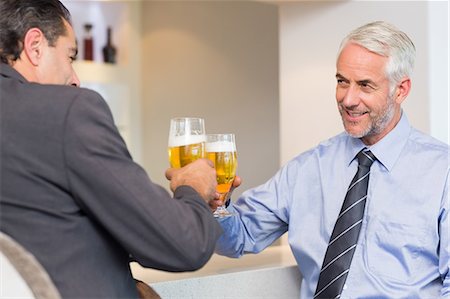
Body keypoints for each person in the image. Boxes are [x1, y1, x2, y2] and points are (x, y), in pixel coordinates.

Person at [0, 0, 222, 298]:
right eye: (70, 56)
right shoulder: (67, 112)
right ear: (35, 46)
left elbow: (50, 224)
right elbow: (185, 244)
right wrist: (192, 188)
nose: (75, 79)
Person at [213, 21, 449, 298]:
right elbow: (237, 238)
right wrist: (215, 202)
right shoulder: (307, 168)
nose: (348, 99)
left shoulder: (442, 173)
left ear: (401, 90)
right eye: (342, 81)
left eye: (365, 85)